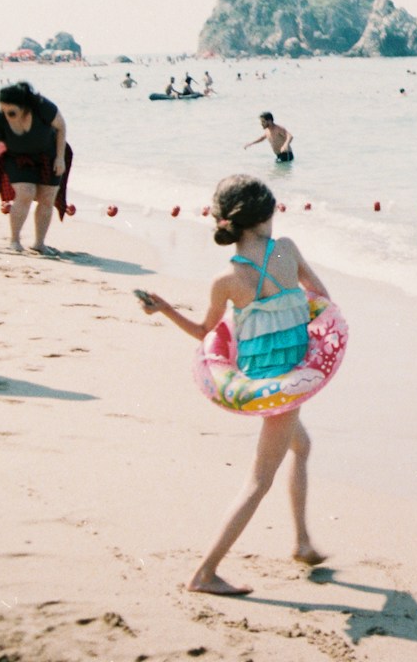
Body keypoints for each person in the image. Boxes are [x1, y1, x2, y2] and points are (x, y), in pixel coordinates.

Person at [137, 175, 330, 595]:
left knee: (302, 446)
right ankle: (204, 573)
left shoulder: (225, 278)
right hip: (286, 382)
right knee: (259, 481)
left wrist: (165, 309)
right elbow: (321, 297)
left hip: (258, 377)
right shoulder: (288, 250)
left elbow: (204, 332)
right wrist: (290, 316)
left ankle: (302, 542)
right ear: (265, 216)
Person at [0, 81, 69, 254]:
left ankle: (39, 244)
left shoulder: (43, 107)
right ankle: (14, 240)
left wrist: (60, 158)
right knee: (26, 192)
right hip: (16, 158)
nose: (6, 115)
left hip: (48, 155)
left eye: (11, 112)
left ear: (25, 107)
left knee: (47, 197)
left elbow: (61, 126)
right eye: (3, 110)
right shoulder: (0, 119)